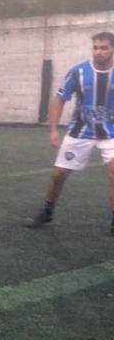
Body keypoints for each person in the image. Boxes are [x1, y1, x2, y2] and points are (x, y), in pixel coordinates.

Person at [26, 32, 114, 234]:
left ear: (113, 49)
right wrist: (53, 129)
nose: (98, 52)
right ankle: (47, 210)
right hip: (80, 130)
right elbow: (59, 99)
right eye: (95, 47)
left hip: (111, 132)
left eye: (104, 48)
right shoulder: (78, 72)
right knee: (58, 175)